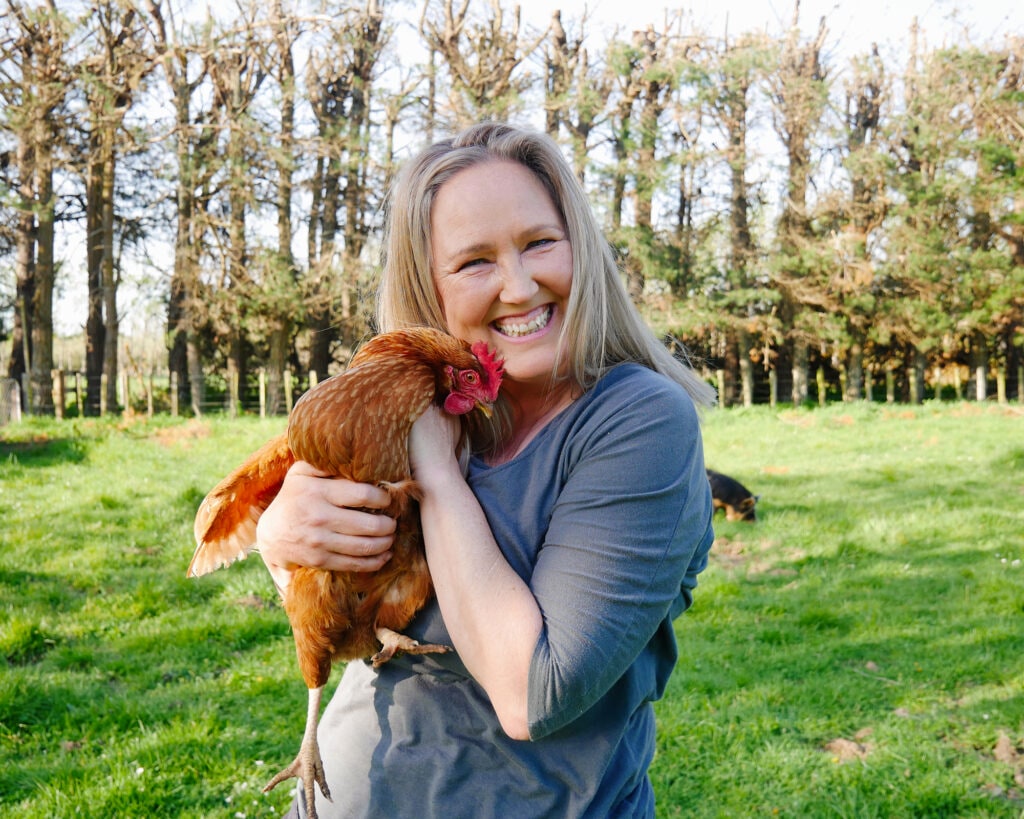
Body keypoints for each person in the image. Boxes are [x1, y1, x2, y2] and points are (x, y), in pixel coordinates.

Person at [257, 121, 716, 818]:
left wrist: (437, 478)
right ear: (429, 287)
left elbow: (531, 690)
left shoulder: (639, 420)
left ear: (579, 248)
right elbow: (339, 604)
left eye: (539, 243)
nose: (520, 284)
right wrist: (284, 541)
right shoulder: (416, 407)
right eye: (475, 262)